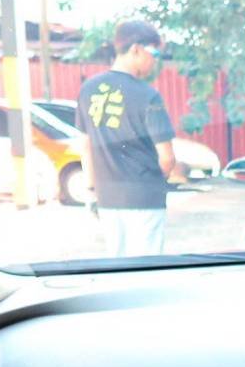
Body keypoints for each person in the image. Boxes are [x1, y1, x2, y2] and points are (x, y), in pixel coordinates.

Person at [76, 20, 177, 258]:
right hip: (145, 199)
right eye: (154, 54)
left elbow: (85, 146)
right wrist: (155, 182)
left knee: (117, 265)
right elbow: (167, 158)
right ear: (136, 49)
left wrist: (92, 189)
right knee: (147, 265)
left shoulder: (88, 89)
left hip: (107, 198)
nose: (155, 61)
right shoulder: (148, 96)